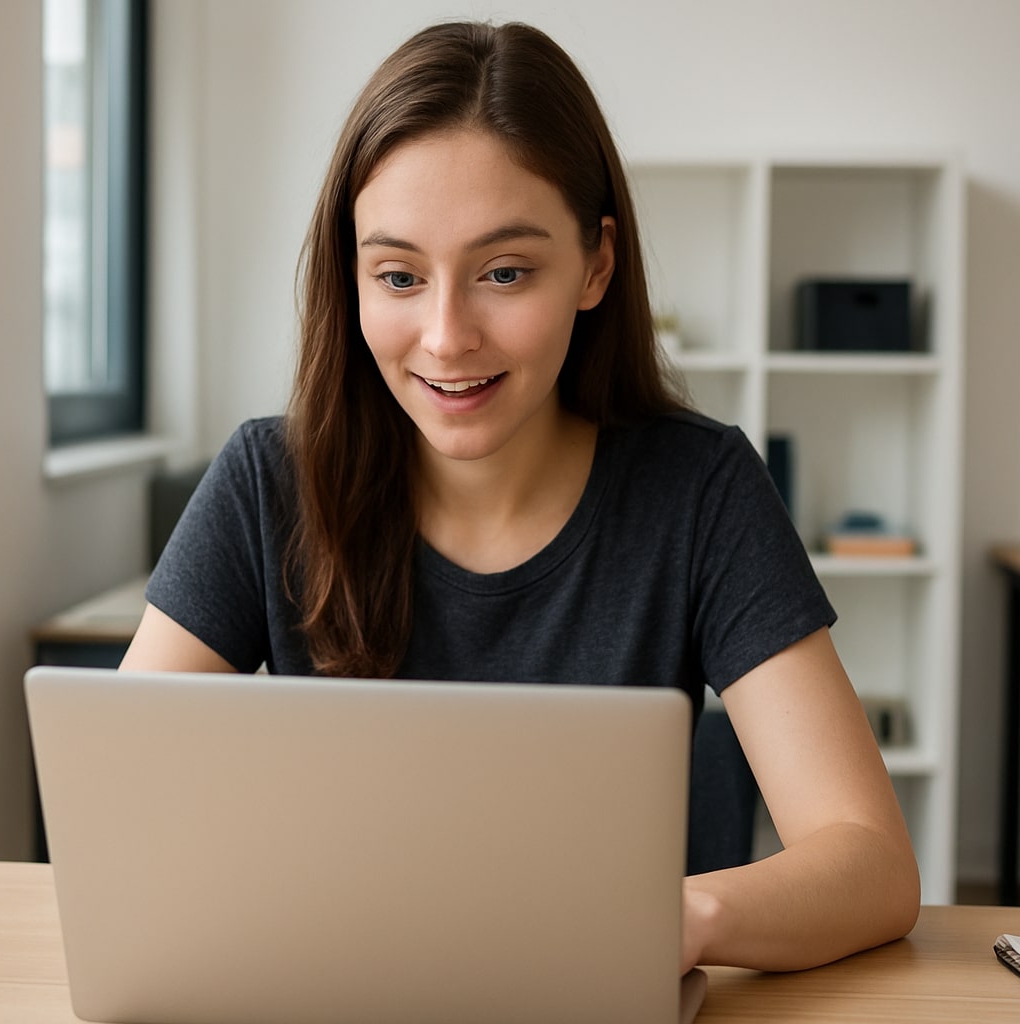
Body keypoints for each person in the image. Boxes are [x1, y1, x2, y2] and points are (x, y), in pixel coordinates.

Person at [121, 19, 919, 974]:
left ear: (596, 264)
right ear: (354, 276)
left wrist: (678, 919)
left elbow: (870, 864)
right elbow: (126, 813)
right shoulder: (267, 483)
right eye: (400, 275)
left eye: (505, 272)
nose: (447, 335)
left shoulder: (699, 492)